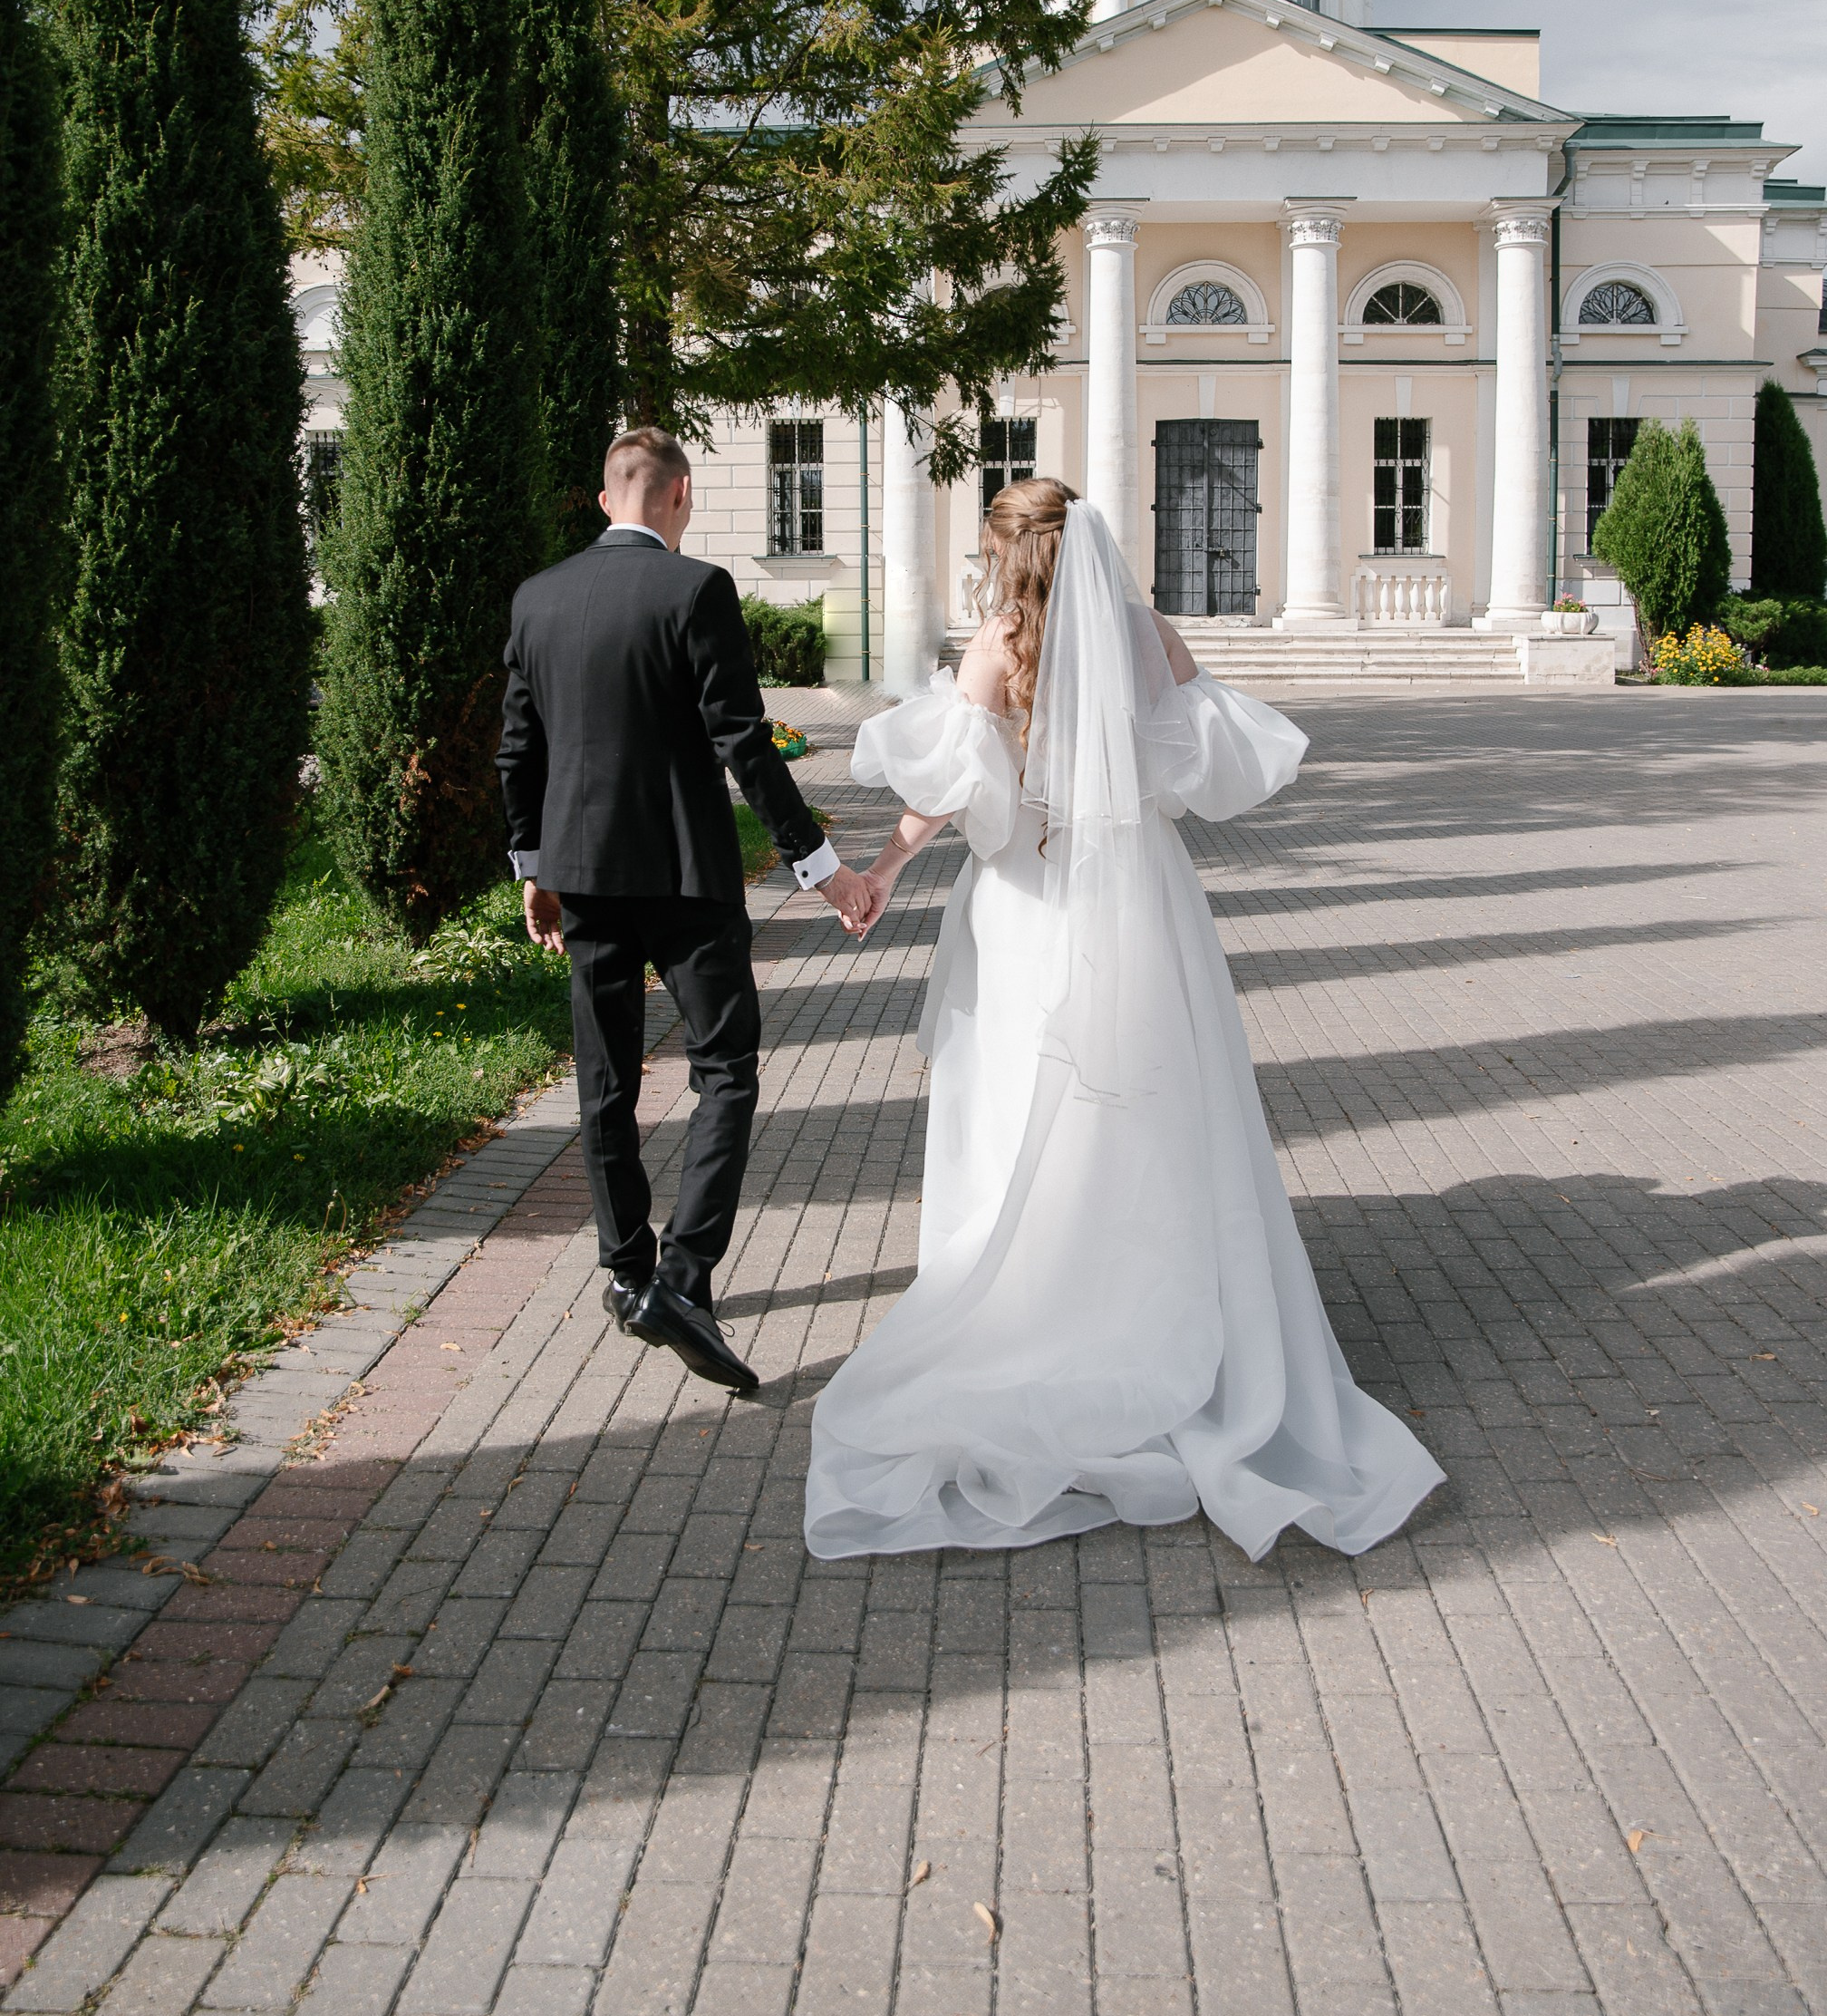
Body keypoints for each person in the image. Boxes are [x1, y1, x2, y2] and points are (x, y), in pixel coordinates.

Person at [804, 478, 1444, 1560]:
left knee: (1017, 1105)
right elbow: (1214, 759)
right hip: (1141, 901)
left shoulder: (992, 646)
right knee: (1154, 1106)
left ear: (1000, 556)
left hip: (1025, 911)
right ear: (1090, 545)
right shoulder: (1149, 636)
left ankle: (1032, 1304)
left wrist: (877, 870)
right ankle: (1172, 1321)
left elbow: (949, 793)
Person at [498, 427, 876, 1398]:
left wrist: (532, 869)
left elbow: (519, 754)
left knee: (603, 1081)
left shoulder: (537, 599)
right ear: (683, 496)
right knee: (725, 1071)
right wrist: (822, 868)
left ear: (602, 499)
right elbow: (744, 743)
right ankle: (683, 1276)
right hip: (686, 880)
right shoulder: (696, 589)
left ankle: (625, 1277)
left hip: (580, 878)